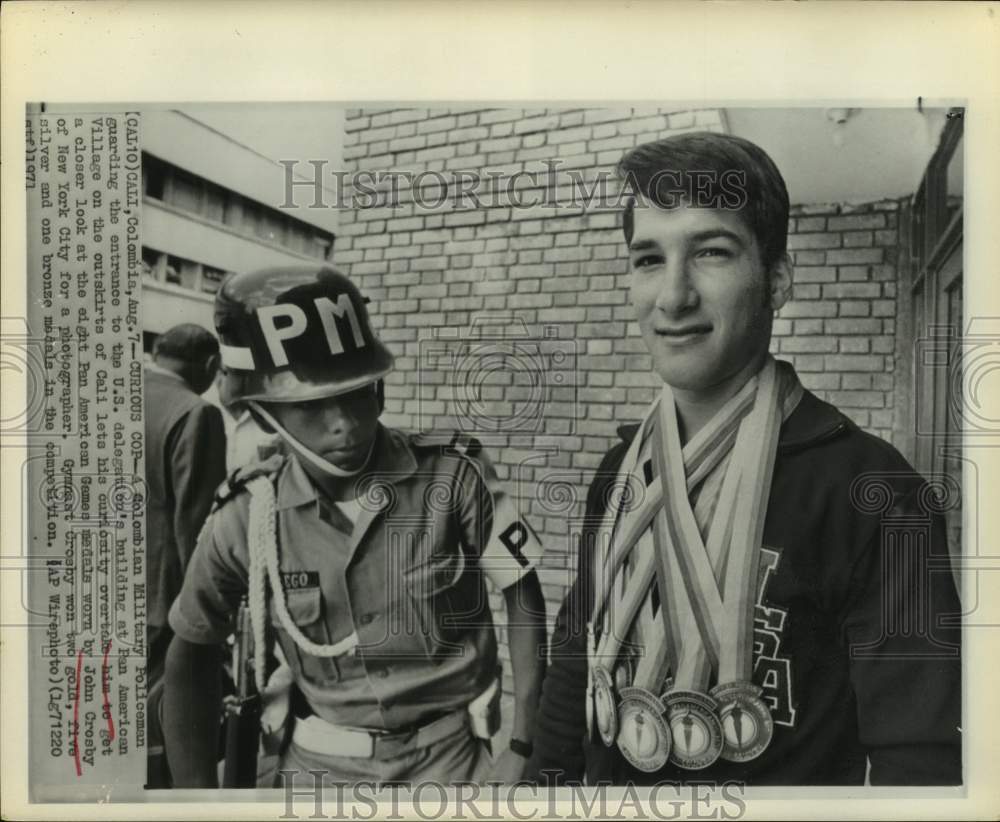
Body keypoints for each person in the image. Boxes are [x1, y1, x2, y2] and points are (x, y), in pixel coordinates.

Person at [526, 132, 961, 786]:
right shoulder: (618, 475)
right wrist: (542, 784)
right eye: (648, 259)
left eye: (711, 252)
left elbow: (918, 761)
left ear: (777, 279)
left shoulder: (877, 492)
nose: (672, 297)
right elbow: (575, 660)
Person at [162, 265, 547, 787]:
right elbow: (190, 649)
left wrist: (524, 742)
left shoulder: (455, 474)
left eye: (357, 391)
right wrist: (196, 805)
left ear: (381, 389)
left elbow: (522, 589)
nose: (343, 421)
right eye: (312, 404)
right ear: (265, 411)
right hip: (319, 773)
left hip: (454, 765)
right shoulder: (249, 516)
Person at [143, 323, 228, 786]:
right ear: (212, 366)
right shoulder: (197, 413)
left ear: (157, 352)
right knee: (164, 722)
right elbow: (196, 528)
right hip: (163, 599)